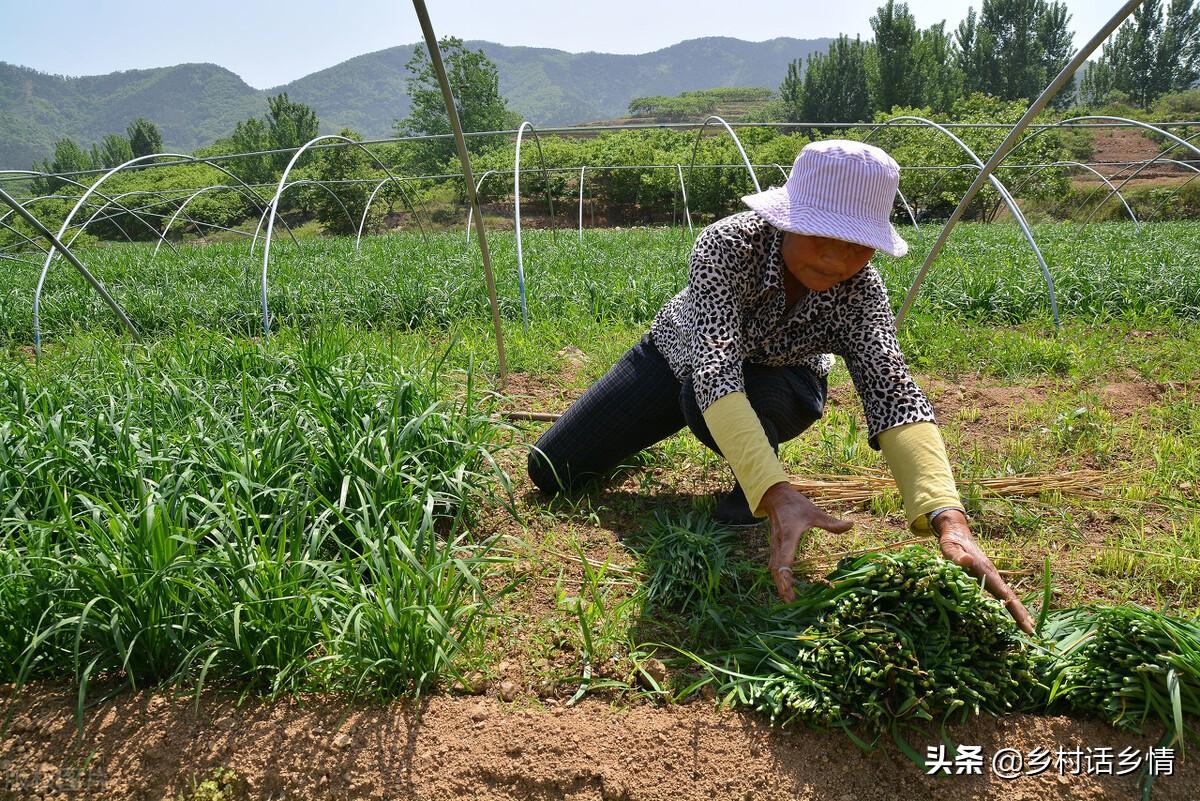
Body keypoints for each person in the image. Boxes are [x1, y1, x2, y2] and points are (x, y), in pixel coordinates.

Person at [527, 139, 1033, 634]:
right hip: (678, 355)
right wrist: (776, 488)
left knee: (742, 398)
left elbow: (892, 389)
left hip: (785, 381)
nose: (836, 260)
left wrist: (948, 518)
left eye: (857, 245)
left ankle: (753, 498)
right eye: (820, 235)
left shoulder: (862, 291)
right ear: (786, 219)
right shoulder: (728, 245)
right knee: (552, 469)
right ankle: (756, 483)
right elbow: (714, 363)